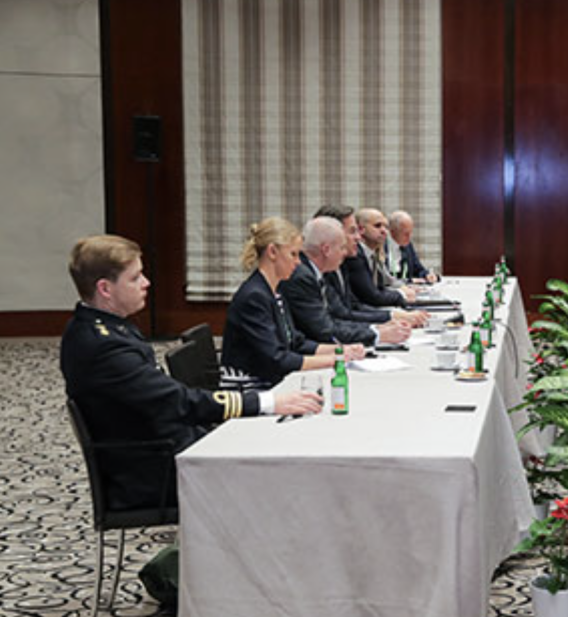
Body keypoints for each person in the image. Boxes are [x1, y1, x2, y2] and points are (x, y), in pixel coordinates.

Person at [61, 234, 321, 510]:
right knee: (283, 468)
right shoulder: (104, 346)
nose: (146, 283)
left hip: (165, 446)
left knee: (274, 440)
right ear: (105, 288)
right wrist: (266, 401)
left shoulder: (109, 326)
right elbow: (176, 401)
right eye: (135, 278)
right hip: (154, 471)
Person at [221, 217, 366, 390]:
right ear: (272, 252)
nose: (298, 262)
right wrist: (334, 360)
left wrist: (341, 350)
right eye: (293, 254)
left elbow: (296, 343)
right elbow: (277, 359)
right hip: (248, 386)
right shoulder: (254, 297)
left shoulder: (275, 291)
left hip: (269, 379)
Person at [279, 216, 413, 347]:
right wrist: (377, 334)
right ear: (326, 250)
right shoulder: (302, 277)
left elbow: (335, 319)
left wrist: (376, 328)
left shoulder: (317, 272)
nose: (344, 253)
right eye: (342, 247)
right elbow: (324, 331)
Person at [316, 204, 427, 327]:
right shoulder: (347, 261)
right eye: (353, 231)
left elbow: (354, 305)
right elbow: (342, 315)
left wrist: (391, 316)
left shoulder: (339, 264)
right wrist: (384, 324)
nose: (358, 237)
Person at [345, 206, 419, 308]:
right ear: (361, 229)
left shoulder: (375, 252)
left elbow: (384, 284)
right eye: (377, 226)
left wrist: (404, 288)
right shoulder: (355, 255)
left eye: (386, 227)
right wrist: (401, 294)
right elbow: (372, 296)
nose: (384, 231)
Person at [385, 210, 438, 283]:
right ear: (392, 232)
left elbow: (418, 269)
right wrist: (409, 281)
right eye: (406, 234)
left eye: (410, 233)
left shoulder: (407, 245)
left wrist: (427, 275)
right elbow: (383, 280)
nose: (409, 237)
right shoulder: (380, 246)